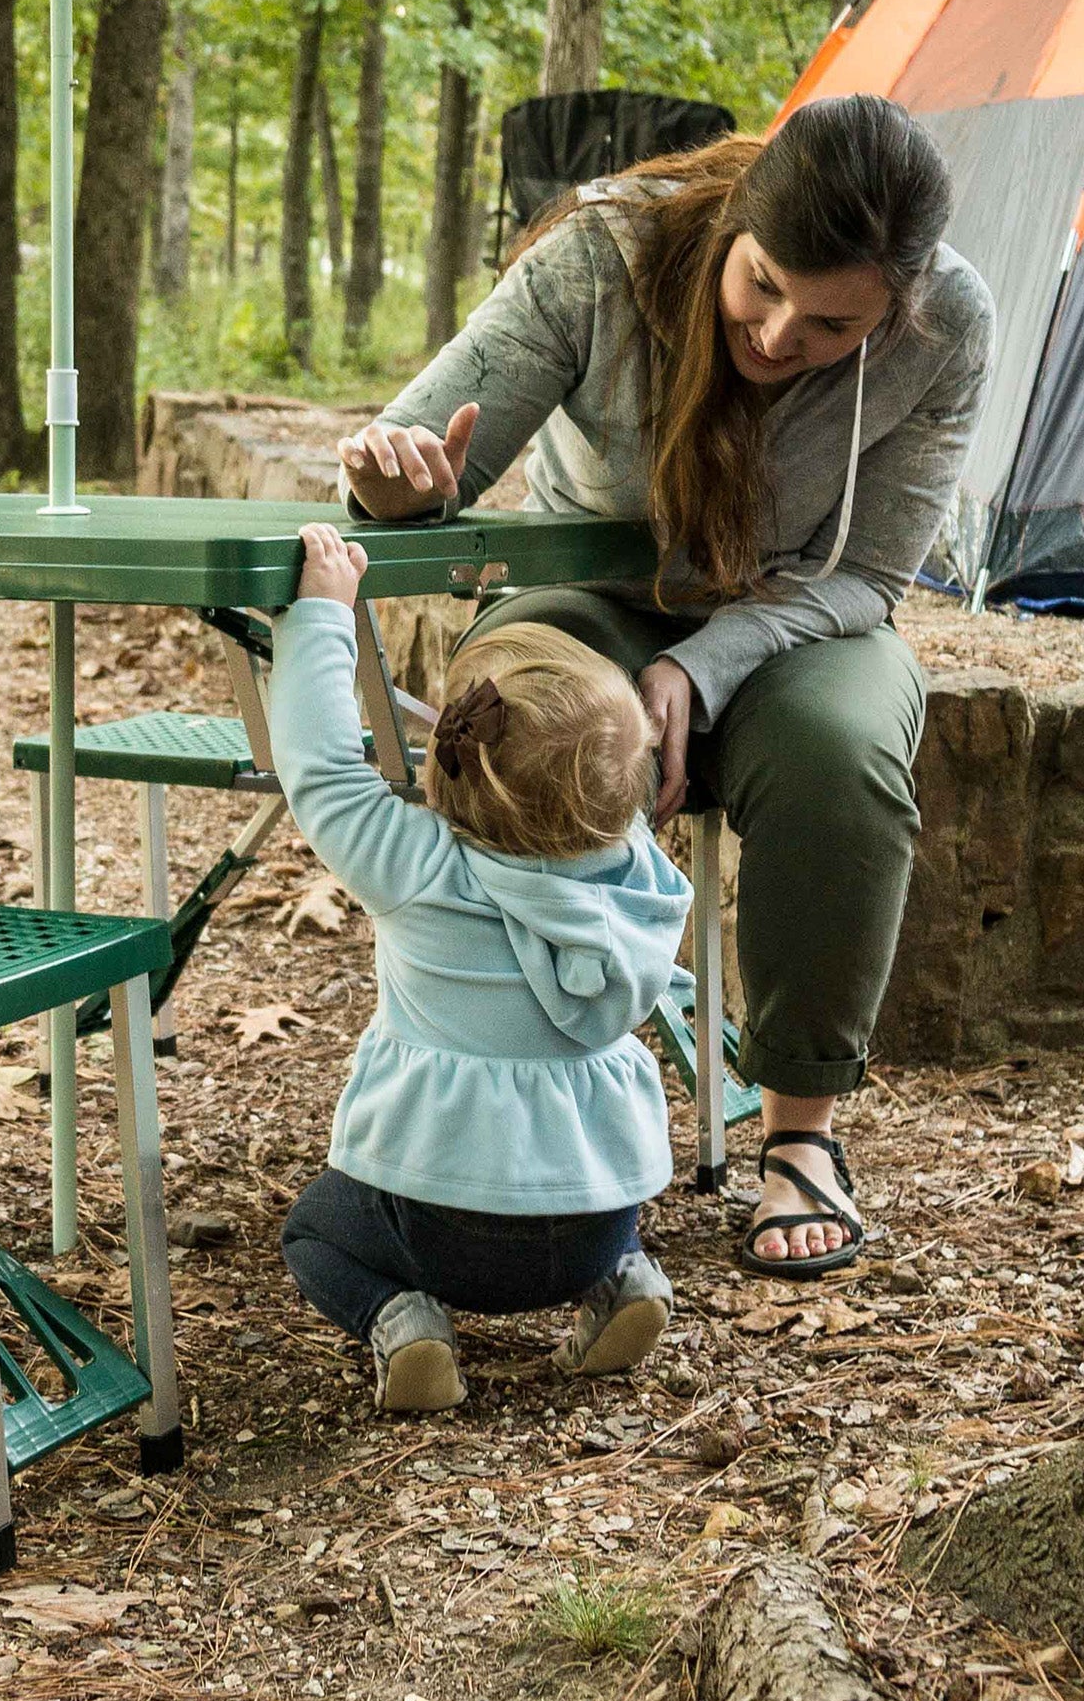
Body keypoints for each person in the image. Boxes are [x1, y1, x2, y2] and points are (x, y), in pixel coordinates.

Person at [339, 95, 992, 1278]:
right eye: (762, 288)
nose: (782, 334)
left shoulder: (951, 321)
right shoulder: (603, 251)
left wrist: (693, 668)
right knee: (515, 723)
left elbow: (870, 573)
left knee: (836, 758)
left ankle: (801, 1136)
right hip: (584, 586)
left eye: (832, 321)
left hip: (801, 615)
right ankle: (490, 1112)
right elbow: (419, 466)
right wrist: (399, 487)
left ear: (896, 309)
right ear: (735, 221)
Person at [270, 524, 691, 1409]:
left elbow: (318, 768)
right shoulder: (640, 878)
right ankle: (622, 1278)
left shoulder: (417, 869)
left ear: (453, 758)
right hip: (594, 1215)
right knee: (597, 1229)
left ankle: (401, 1319)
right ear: (633, 790)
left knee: (312, 1230)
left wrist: (321, 614)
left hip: (435, 1222)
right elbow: (586, 786)